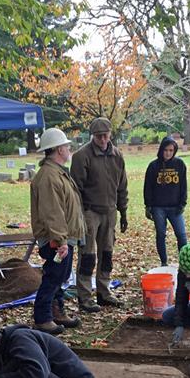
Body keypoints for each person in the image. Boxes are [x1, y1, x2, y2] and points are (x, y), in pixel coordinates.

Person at [30, 128, 85, 335]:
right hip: (56, 238)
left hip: (63, 236)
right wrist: (60, 240)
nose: (69, 148)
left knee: (60, 276)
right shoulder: (48, 177)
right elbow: (53, 212)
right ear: (58, 149)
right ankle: (43, 318)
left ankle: (56, 312)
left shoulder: (56, 172)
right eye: (66, 146)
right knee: (54, 276)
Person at [70, 117, 128, 313]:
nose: (103, 139)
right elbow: (75, 189)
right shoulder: (82, 156)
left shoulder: (117, 156)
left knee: (107, 253)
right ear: (92, 136)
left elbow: (122, 186)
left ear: (111, 134)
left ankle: (104, 292)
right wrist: (80, 214)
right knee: (88, 255)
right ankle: (85, 297)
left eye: (106, 135)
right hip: (90, 211)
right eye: (99, 136)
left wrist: (123, 210)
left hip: (110, 210)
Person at [143, 136, 188, 266]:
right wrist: (148, 206)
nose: (168, 153)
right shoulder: (153, 166)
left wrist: (182, 203)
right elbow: (148, 187)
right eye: (166, 150)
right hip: (158, 207)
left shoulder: (180, 164)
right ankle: (164, 262)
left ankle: (183, 262)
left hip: (175, 207)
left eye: (171, 150)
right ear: (161, 150)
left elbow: (183, 186)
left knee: (181, 235)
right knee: (161, 234)